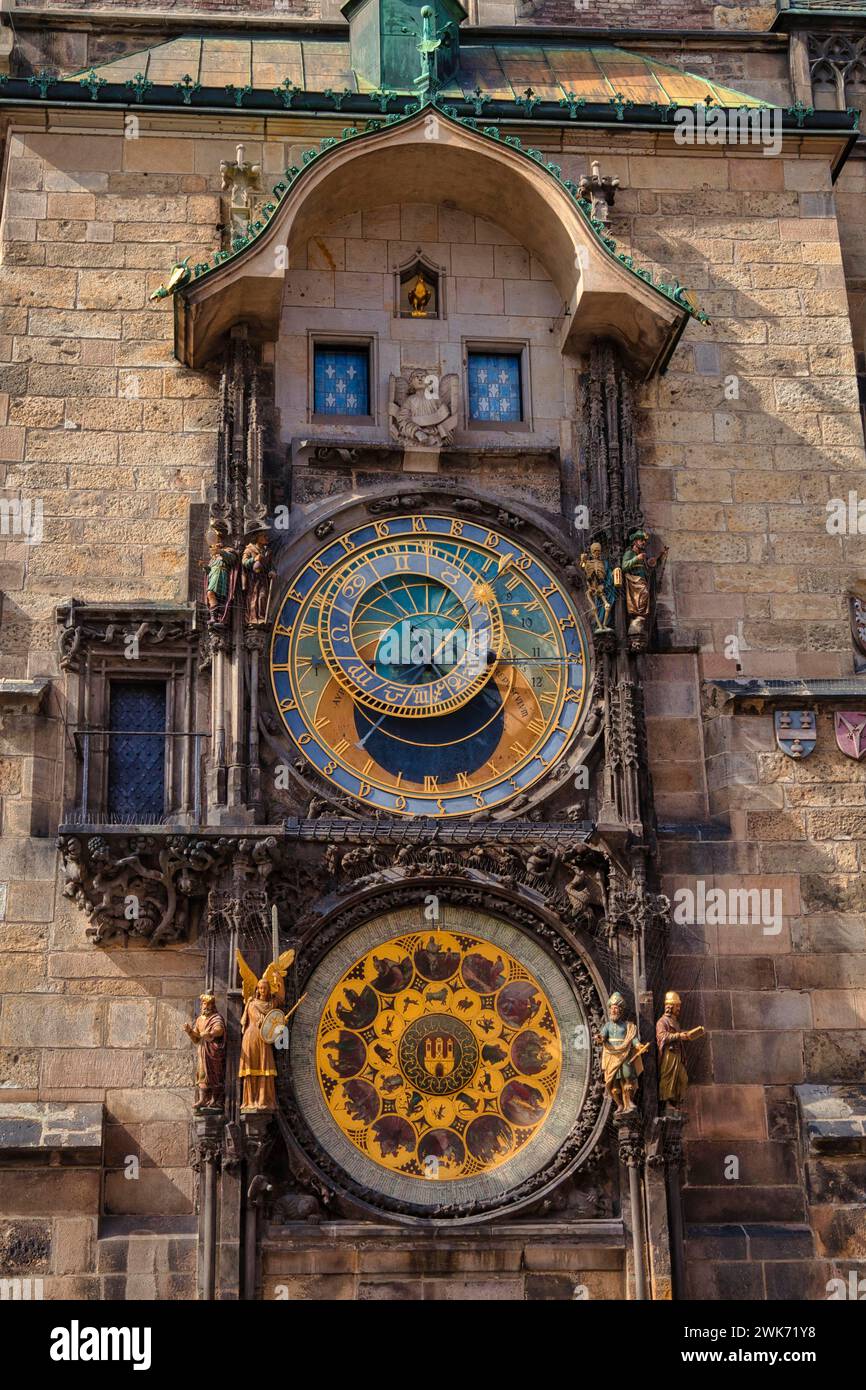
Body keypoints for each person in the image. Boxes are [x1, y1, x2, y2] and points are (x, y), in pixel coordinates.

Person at [596, 991, 647, 1113]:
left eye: (616, 1009)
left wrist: (638, 1045)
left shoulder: (627, 1026)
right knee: (614, 1082)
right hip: (612, 1055)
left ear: (620, 1011)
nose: (614, 1011)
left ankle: (629, 1102)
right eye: (612, 1009)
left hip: (625, 1054)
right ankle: (619, 1104)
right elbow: (602, 1037)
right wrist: (600, 1038)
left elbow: (632, 1038)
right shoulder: (607, 1026)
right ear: (609, 1010)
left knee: (628, 1076)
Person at [656, 990, 705, 1111]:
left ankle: (676, 1102)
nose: (679, 1008)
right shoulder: (662, 1022)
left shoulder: (675, 1022)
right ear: (670, 1006)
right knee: (668, 1078)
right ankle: (668, 1103)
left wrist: (686, 1035)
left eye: (679, 1006)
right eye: (677, 1006)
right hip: (669, 1054)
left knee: (682, 1079)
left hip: (678, 1054)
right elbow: (661, 1036)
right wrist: (678, 1036)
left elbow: (675, 1034)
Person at [184, 993, 226, 1111]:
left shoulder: (216, 1018)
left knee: (215, 1075)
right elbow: (197, 1038)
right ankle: (203, 1099)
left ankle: (216, 1100)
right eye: (203, 1004)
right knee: (202, 1074)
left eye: (208, 1005)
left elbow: (220, 1029)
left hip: (213, 1051)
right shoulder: (199, 1020)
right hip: (202, 1050)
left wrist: (211, 1033)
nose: (205, 1007)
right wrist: (190, 1032)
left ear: (212, 1006)